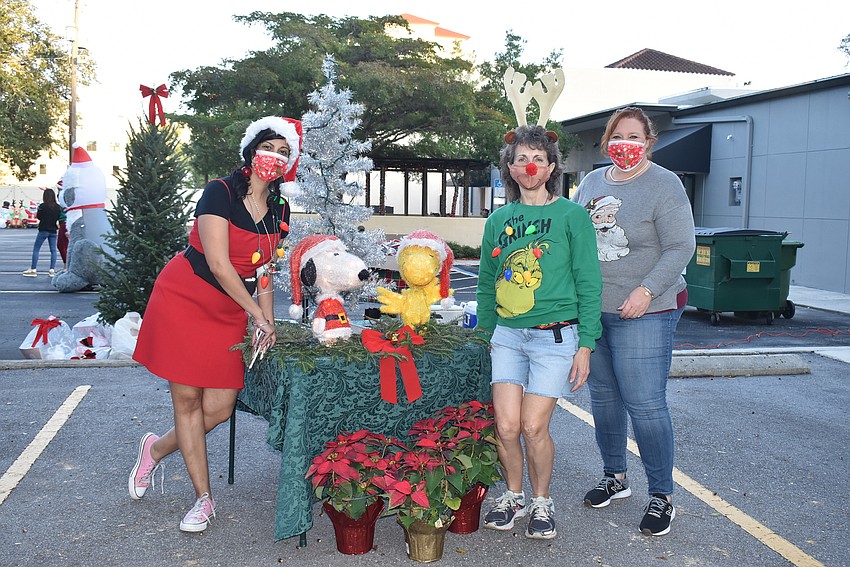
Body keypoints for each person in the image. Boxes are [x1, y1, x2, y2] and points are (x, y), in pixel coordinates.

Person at [128, 116, 301, 533]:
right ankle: (203, 499)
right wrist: (255, 314)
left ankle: (155, 448)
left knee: (219, 408)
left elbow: (263, 272)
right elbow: (221, 264)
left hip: (229, 310)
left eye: (283, 152)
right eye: (267, 148)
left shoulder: (280, 207)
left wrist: (268, 323)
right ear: (250, 150)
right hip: (185, 298)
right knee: (186, 401)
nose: (272, 158)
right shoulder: (219, 192)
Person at [571, 107, 695, 537]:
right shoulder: (590, 182)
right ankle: (615, 477)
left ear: (649, 141)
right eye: (618, 136)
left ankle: (662, 495)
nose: (626, 144)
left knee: (644, 403)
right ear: (607, 141)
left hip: (647, 307)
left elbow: (681, 246)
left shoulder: (665, 184)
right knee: (604, 399)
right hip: (595, 310)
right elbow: (574, 239)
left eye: (634, 137)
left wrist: (645, 290)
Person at [476, 125, 602, 539]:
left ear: (551, 167)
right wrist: (486, 334)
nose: (529, 167)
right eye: (520, 160)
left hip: (554, 339)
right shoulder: (499, 219)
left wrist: (586, 345)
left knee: (533, 427)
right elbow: (486, 280)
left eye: (538, 159)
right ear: (509, 168)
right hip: (508, 337)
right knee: (507, 427)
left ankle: (542, 501)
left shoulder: (572, 215)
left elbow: (588, 280)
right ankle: (513, 495)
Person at [22, 189, 61, 277]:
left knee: (36, 249)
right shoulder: (58, 207)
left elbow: (39, 217)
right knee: (53, 250)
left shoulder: (43, 206)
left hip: (43, 229)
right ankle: (52, 270)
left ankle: (33, 269)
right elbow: (59, 217)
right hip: (53, 230)